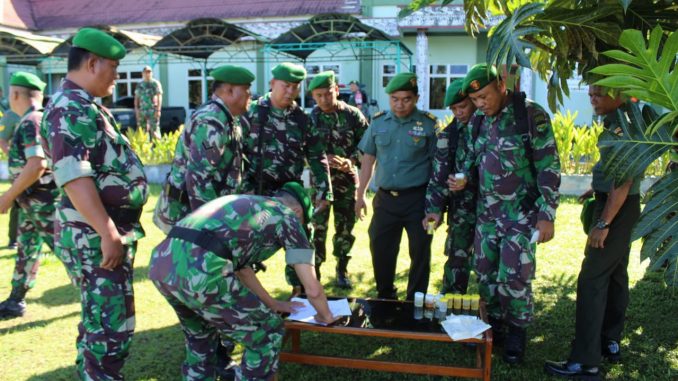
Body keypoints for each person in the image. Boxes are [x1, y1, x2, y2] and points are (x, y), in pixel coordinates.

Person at [42, 28, 148, 380]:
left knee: (99, 322)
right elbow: (74, 176)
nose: (117, 79)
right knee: (110, 329)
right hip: (93, 237)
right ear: (92, 63)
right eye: (114, 69)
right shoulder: (69, 107)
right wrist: (107, 232)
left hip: (96, 234)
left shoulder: (84, 105)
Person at [149, 182, 337, 380]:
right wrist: (326, 315)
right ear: (298, 211)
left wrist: (273, 304)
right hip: (202, 270)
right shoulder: (287, 216)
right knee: (266, 333)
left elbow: (243, 271)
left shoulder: (248, 203)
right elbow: (312, 286)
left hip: (163, 262)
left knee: (201, 338)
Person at [451, 64, 561, 364]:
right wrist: (462, 177)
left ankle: (516, 332)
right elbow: (472, 158)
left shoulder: (530, 116)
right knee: (485, 274)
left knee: (514, 276)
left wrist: (546, 214)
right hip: (487, 214)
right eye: (475, 101)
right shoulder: (478, 123)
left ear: (501, 85)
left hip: (521, 215)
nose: (480, 104)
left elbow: (549, 167)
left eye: (484, 97)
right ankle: (496, 326)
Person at [544, 86, 642, 380]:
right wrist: (596, 187)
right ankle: (609, 342)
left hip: (617, 210)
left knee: (592, 279)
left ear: (618, 93)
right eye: (589, 94)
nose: (592, 99)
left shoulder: (622, 123)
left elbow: (624, 180)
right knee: (615, 274)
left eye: (598, 93)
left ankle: (585, 363)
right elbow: (616, 172)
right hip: (618, 203)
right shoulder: (621, 118)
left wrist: (603, 223)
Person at [242, 62, 333, 293]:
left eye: (295, 87)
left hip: (289, 193)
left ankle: (300, 288)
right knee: (247, 242)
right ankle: (249, 293)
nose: (290, 91)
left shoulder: (302, 119)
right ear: (272, 84)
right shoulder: (252, 112)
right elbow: (236, 153)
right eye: (286, 86)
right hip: (254, 191)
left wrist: (325, 190)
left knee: (300, 239)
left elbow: (317, 156)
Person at [355, 72, 438, 301]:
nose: (400, 104)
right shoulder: (379, 122)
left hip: (419, 200)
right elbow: (368, 160)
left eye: (406, 99)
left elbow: (437, 168)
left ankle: (415, 300)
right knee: (379, 246)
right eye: (394, 99)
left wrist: (436, 205)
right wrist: (360, 194)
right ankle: (385, 295)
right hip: (385, 200)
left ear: (416, 98)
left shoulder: (430, 125)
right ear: (389, 98)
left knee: (421, 249)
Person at [153, 65, 255, 234]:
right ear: (229, 91)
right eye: (246, 90)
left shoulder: (228, 117)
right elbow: (198, 179)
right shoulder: (211, 121)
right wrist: (209, 227)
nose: (250, 96)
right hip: (190, 217)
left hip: (202, 212)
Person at [0, 72, 58, 319]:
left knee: (68, 250)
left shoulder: (31, 121)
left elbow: (37, 165)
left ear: (15, 94)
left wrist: (8, 196)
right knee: (27, 248)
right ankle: (16, 300)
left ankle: (102, 297)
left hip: (42, 202)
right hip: (31, 202)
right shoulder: (37, 119)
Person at [307, 71, 368, 288]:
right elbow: (301, 152)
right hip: (320, 186)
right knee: (317, 229)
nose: (324, 99)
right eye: (318, 95)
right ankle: (315, 273)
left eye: (327, 94)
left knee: (345, 229)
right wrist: (321, 160)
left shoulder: (353, 116)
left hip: (346, 183)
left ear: (336, 90)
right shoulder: (310, 119)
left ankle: (342, 271)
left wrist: (350, 161)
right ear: (313, 96)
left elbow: (367, 148)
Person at [423, 78, 478, 294]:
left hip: (493, 210)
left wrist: (470, 179)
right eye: (454, 108)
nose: (459, 112)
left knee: (492, 266)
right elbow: (438, 178)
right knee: (457, 261)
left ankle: (494, 317)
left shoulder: (491, 129)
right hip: (462, 212)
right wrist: (434, 210)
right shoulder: (447, 135)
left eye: (463, 106)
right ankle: (452, 312)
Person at [0, 107, 22, 250]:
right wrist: (14, 157)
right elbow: (2, 140)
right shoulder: (11, 115)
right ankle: (13, 239)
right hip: (20, 167)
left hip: (43, 166)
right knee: (18, 202)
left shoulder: (41, 111)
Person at [134, 65, 163, 140]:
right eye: (146, 72)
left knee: (155, 130)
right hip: (142, 110)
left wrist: (158, 110)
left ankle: (157, 148)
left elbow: (159, 96)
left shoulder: (155, 83)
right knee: (142, 131)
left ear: (152, 73)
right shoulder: (140, 85)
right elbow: (136, 98)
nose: (147, 73)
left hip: (153, 110)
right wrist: (137, 110)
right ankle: (144, 150)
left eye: (149, 72)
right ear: (142, 73)